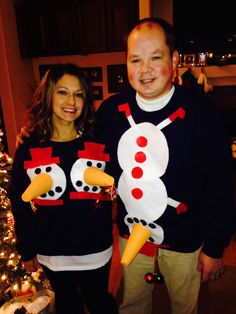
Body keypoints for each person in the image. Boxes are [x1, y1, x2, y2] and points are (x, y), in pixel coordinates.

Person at [95, 18, 235, 314]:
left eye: (155, 57)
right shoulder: (109, 113)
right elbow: (86, 156)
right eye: (135, 60)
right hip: (130, 235)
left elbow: (221, 186)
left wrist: (214, 247)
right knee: (132, 304)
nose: (144, 69)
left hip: (186, 242)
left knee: (185, 307)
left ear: (173, 61)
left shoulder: (203, 115)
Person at [9, 63, 118, 314]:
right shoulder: (29, 148)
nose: (72, 101)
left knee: (100, 302)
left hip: (95, 248)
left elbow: (117, 180)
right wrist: (26, 248)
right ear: (48, 95)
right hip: (52, 251)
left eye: (79, 94)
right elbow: (19, 201)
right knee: (67, 305)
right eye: (63, 92)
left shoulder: (99, 141)